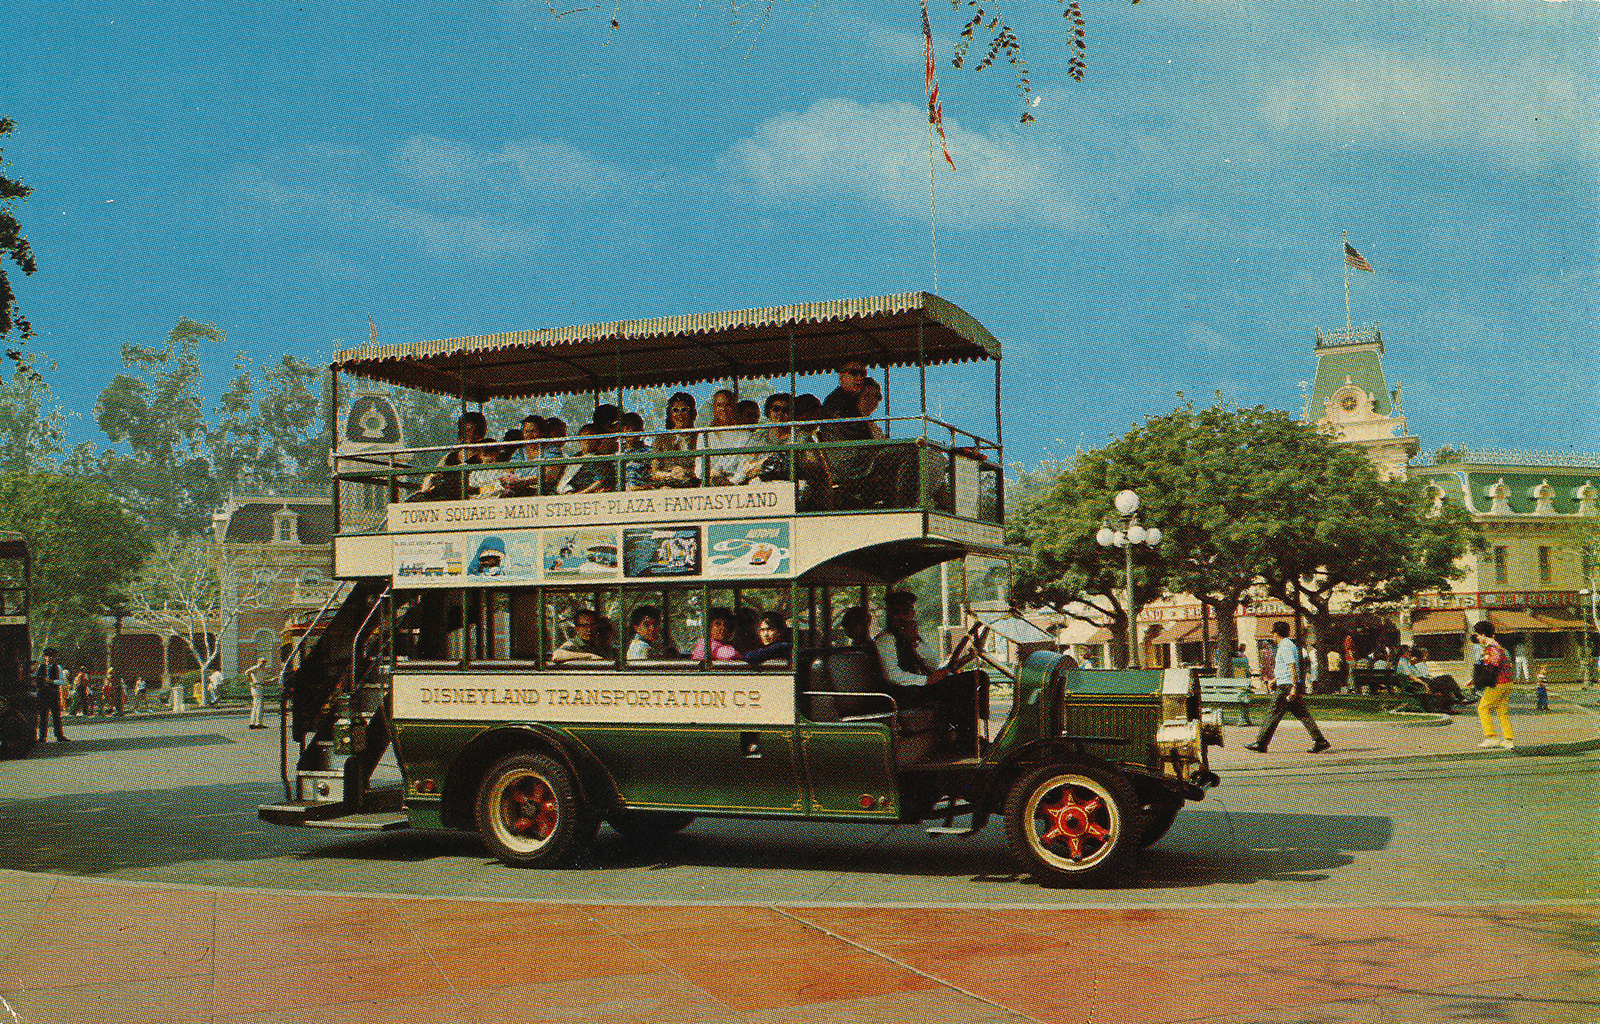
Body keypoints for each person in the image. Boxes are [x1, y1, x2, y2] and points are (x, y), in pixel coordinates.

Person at [872, 591, 980, 711]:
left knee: (977, 677)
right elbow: (892, 674)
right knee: (964, 684)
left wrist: (915, 643)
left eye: (909, 611)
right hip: (903, 693)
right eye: (901, 612)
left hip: (920, 688)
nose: (908, 615)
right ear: (893, 614)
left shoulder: (916, 637)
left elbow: (933, 664)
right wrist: (926, 680)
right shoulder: (886, 640)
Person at [1244, 622, 1330, 754]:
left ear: (1276, 633)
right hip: (1286, 683)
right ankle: (1320, 741)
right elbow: (1286, 668)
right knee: (1302, 714)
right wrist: (1275, 680)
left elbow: (1292, 666)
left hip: (1287, 686)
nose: (1272, 636)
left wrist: (1294, 687)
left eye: (1273, 633)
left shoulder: (1285, 646)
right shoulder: (1288, 645)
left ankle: (1261, 743)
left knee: (1273, 713)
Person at [1472, 620, 1514, 749]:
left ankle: (1491, 737)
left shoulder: (1491, 647)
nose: (1477, 637)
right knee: (1502, 711)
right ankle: (1508, 740)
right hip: (1508, 682)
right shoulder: (1500, 646)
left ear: (1484, 634)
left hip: (1498, 683)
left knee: (1483, 708)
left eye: (1478, 634)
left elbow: (1493, 664)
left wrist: (1480, 676)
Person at [651, 392, 701, 487]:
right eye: (675, 410)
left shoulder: (699, 438)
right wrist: (670, 475)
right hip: (668, 485)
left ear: (692, 413)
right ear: (670, 414)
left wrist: (686, 472)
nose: (680, 415)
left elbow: (704, 468)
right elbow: (654, 472)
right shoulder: (661, 439)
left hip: (694, 485)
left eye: (684, 410)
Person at [1402, 647, 1468, 712]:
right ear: (1403, 653)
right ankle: (1460, 698)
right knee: (1447, 679)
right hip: (1420, 683)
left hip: (1423, 680)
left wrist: (1411, 662)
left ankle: (1449, 705)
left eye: (1410, 652)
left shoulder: (1408, 663)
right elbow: (1411, 676)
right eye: (1408, 652)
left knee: (1447, 682)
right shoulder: (1403, 663)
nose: (1410, 654)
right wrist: (1425, 684)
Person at [555, 424, 616, 494]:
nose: (586, 441)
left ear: (598, 441)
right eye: (584, 437)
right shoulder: (575, 457)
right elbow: (566, 477)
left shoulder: (601, 459)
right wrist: (568, 491)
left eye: (590, 438)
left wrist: (581, 493)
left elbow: (600, 481)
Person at [34, 647, 68, 742]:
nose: (50, 658)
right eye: (48, 656)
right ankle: (42, 737)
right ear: (45, 657)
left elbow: (62, 681)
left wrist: (52, 681)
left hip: (53, 694)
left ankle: (59, 735)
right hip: (43, 694)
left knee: (56, 715)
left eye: (52, 656)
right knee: (43, 716)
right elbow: (36, 679)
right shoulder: (40, 667)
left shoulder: (58, 667)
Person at [246, 657, 269, 729]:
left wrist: (271, 680)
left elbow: (262, 680)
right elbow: (247, 672)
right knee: (259, 704)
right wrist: (251, 681)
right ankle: (258, 723)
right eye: (262, 661)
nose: (263, 663)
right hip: (256, 687)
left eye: (264, 662)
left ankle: (253, 723)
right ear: (259, 662)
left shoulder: (263, 670)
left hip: (260, 686)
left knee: (256, 704)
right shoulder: (256, 667)